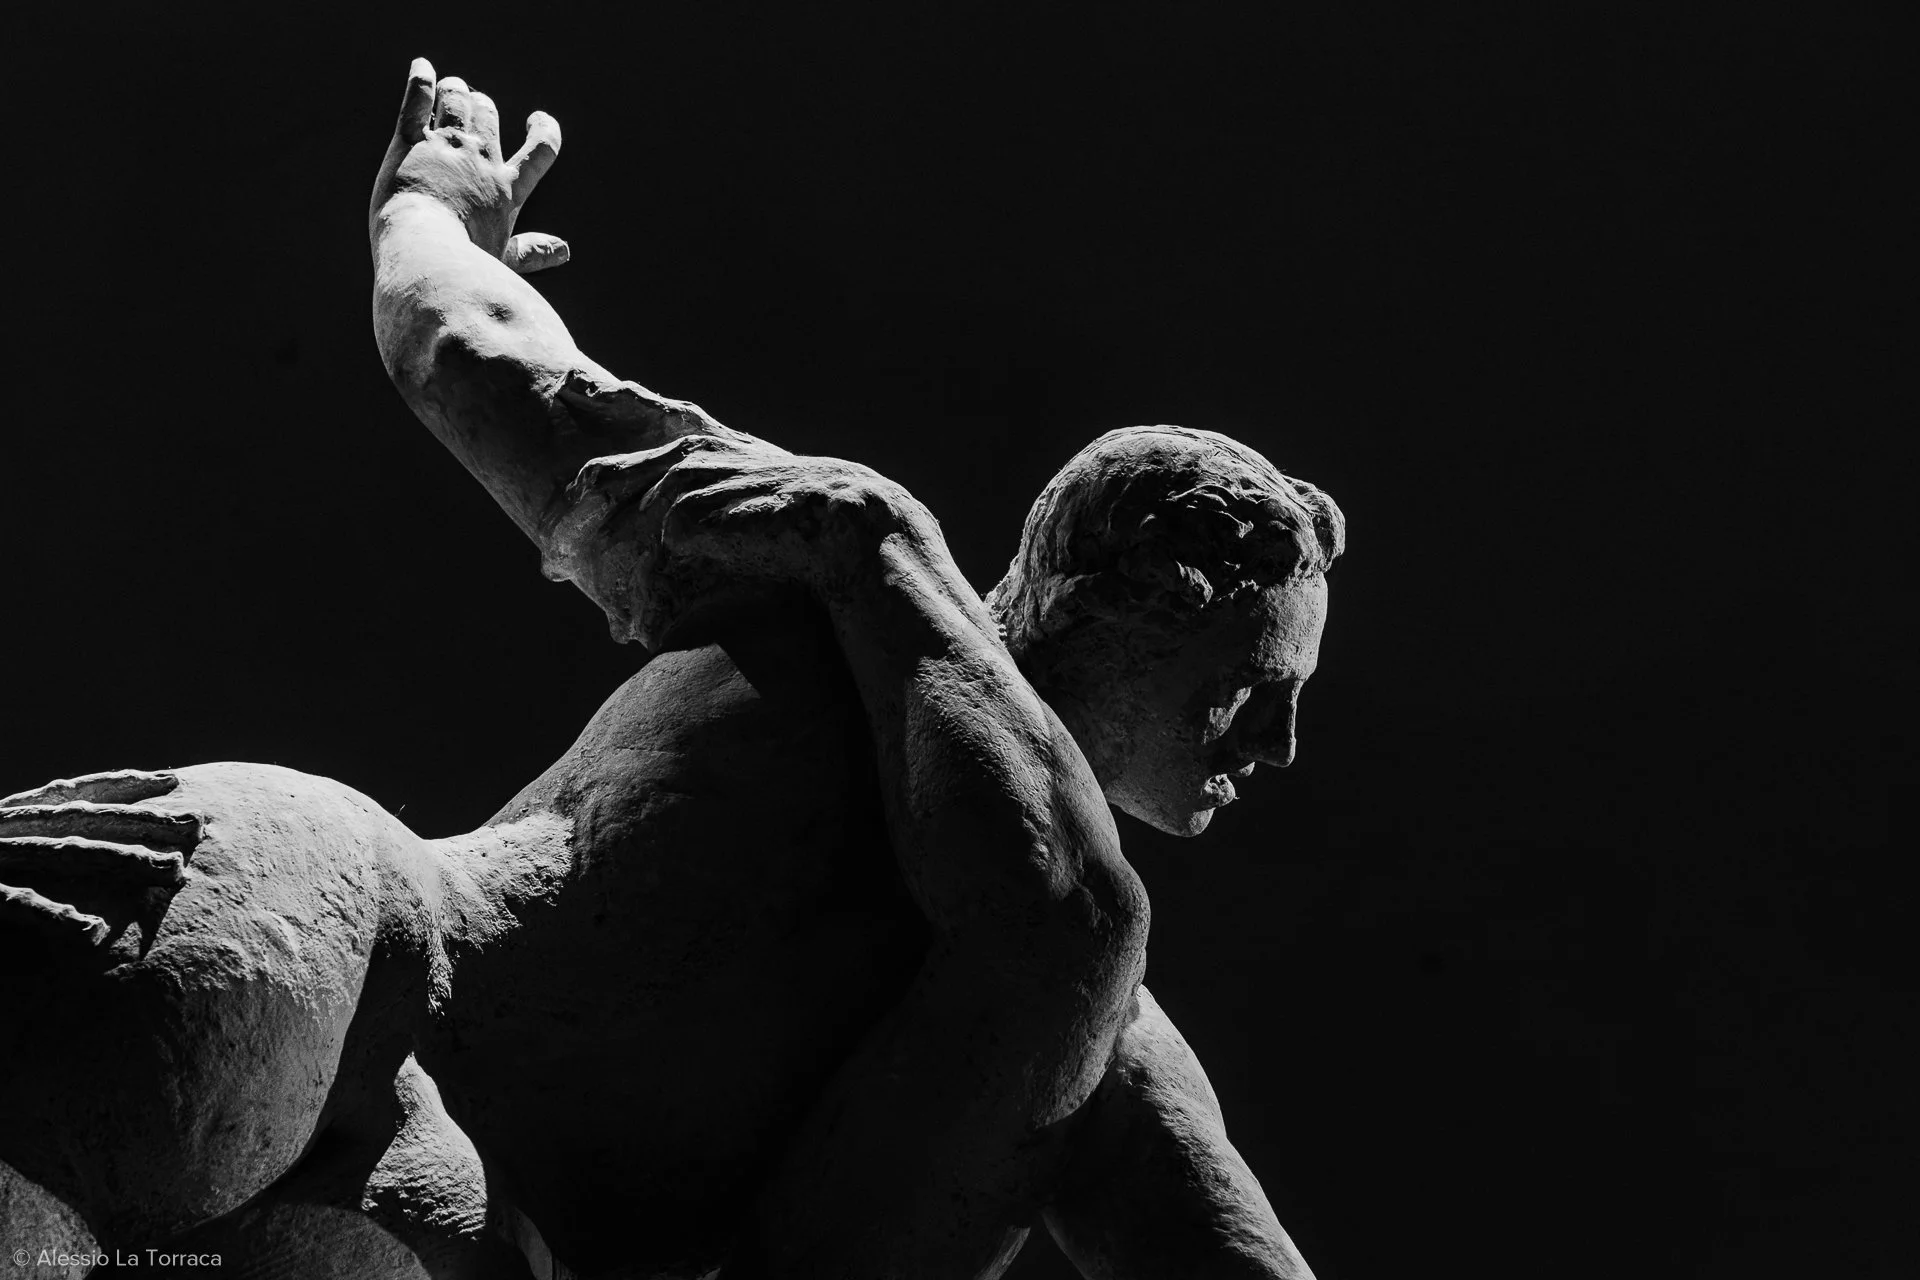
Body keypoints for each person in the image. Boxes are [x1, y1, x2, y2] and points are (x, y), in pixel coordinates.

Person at [0, 61, 1342, 1280]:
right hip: (352, 956)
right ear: (1126, 610)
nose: (1274, 747)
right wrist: (428, 214)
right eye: (1252, 689)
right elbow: (484, 358)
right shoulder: (826, 567)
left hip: (477, 1230)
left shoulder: (1097, 1038)